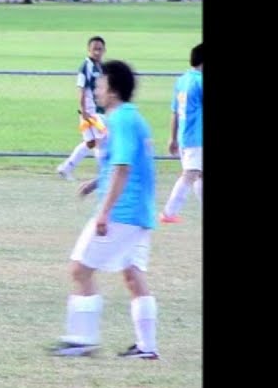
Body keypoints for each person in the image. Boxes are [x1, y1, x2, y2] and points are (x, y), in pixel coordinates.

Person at [53, 60, 160, 360]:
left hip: (123, 212)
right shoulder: (132, 117)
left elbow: (124, 168)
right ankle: (147, 348)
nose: (96, 90)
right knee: (133, 275)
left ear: (112, 90)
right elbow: (126, 165)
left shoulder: (121, 120)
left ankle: (82, 339)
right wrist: (96, 182)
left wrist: (104, 212)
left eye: (99, 85)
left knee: (80, 268)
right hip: (140, 214)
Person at [160, 43, 203, 224]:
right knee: (191, 174)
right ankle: (169, 212)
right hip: (196, 135)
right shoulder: (200, 81)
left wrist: (172, 137)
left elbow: (175, 111)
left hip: (184, 135)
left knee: (199, 175)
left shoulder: (182, 80)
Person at [56, 36, 108, 181]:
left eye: (100, 49)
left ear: (104, 50)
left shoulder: (101, 67)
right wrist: (83, 110)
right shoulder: (86, 67)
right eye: (94, 49)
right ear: (88, 50)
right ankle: (104, 174)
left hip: (98, 111)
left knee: (91, 142)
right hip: (91, 112)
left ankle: (66, 168)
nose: (97, 52)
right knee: (100, 140)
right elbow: (81, 89)